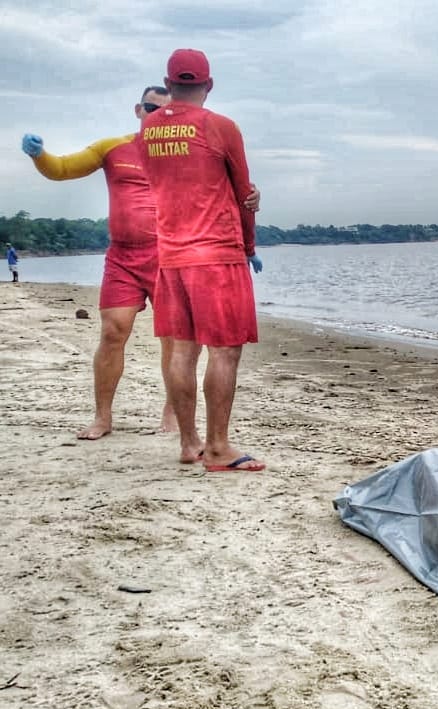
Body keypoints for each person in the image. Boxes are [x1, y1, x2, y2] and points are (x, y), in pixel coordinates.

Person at [21, 86, 261, 440]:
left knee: (175, 342)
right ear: (138, 110)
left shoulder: (188, 147)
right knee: (112, 331)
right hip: (123, 256)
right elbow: (63, 168)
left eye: (165, 109)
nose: (156, 115)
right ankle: (103, 417)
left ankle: (172, 411)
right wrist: (40, 156)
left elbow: (225, 183)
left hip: (170, 253)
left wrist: (250, 203)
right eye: (150, 108)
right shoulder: (114, 147)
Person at [137, 49, 266, 472]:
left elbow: (164, 180)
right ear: (208, 85)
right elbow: (244, 193)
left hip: (170, 253)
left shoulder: (147, 130)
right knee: (224, 353)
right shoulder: (220, 126)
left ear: (169, 83)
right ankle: (217, 447)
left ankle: (189, 442)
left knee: (182, 351)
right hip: (216, 252)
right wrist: (248, 246)